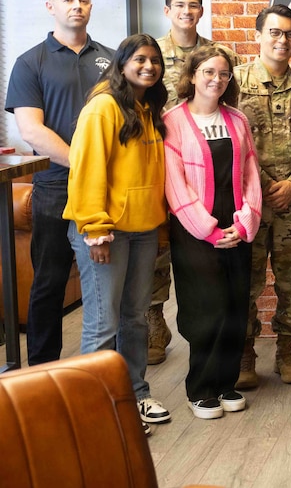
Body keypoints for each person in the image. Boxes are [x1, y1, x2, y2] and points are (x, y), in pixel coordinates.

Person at [64, 34, 171, 431]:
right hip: (105, 232)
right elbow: (87, 171)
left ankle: (135, 395)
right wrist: (95, 229)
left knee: (136, 318)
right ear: (121, 63)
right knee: (101, 323)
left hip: (142, 230)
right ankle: (97, 411)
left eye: (154, 60)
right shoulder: (103, 107)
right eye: (140, 59)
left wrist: (159, 225)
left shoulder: (147, 106)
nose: (148, 66)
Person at [5, 0, 112, 366]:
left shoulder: (112, 59)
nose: (76, 6)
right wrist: (86, 164)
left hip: (106, 187)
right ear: (50, 6)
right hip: (54, 187)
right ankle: (43, 368)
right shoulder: (31, 62)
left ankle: (105, 367)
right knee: (48, 282)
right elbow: (31, 129)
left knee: (104, 282)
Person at [163, 46, 262, 420]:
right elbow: (175, 184)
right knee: (207, 308)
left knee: (236, 306)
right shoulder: (172, 121)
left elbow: (251, 172)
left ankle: (226, 383)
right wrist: (208, 229)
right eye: (208, 72)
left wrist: (243, 221)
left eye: (223, 74)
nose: (216, 80)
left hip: (235, 225)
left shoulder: (237, 120)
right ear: (191, 76)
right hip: (195, 230)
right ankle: (201, 389)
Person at [233, 5, 291, 388]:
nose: (282, 40)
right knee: (243, 283)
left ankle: (286, 351)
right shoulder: (232, 83)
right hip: (247, 203)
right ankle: (243, 356)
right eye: (274, 32)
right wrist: (264, 182)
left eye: (290, 34)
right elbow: (225, 141)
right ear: (258, 35)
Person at [149, 0, 241, 366]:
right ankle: (155, 319)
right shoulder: (151, 53)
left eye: (194, 5)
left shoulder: (215, 55)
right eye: (180, 5)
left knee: (205, 274)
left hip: (206, 168)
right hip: (158, 159)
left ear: (202, 11)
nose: (187, 11)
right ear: (168, 11)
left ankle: (212, 354)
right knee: (157, 257)